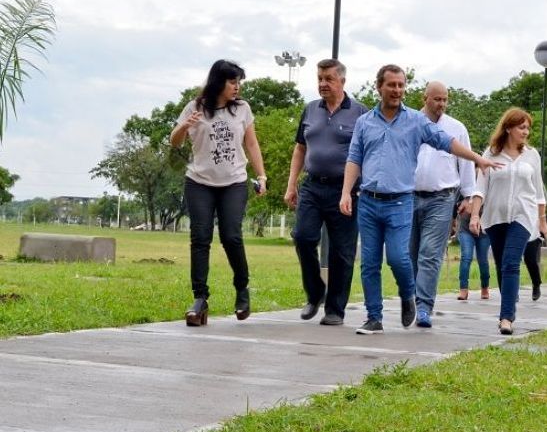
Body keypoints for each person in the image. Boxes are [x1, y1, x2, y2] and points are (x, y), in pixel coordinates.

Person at [339, 64, 501, 335]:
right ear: (380, 87)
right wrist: (346, 192)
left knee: (399, 258)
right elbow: (354, 158)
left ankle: (409, 296)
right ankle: (374, 316)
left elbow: (446, 142)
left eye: (401, 85)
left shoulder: (415, 121)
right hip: (368, 201)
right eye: (391, 85)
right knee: (368, 262)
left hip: (401, 202)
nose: (397, 90)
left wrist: (477, 159)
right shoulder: (365, 122)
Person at [169, 59, 266, 326]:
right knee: (200, 239)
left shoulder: (242, 109)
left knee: (231, 235)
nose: (237, 87)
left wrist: (261, 176)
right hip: (199, 182)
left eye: (239, 82)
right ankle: (200, 299)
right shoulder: (194, 107)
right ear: (218, 82)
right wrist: (184, 126)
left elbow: (252, 144)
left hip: (234, 182)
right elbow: (174, 141)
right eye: (233, 82)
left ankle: (242, 289)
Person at [284, 59, 368, 325]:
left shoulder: (360, 113)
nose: (323, 84)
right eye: (320, 78)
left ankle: (335, 310)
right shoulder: (310, 110)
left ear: (342, 80)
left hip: (346, 190)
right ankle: (315, 291)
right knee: (303, 237)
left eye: (329, 79)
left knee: (342, 251)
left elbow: (368, 152)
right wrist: (291, 184)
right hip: (312, 186)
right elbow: (300, 148)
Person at [470, 108, 547, 336]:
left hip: (523, 216)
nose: (526, 132)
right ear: (508, 128)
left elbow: (539, 191)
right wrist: (475, 215)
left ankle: (506, 318)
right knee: (502, 266)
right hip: (495, 217)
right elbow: (480, 188)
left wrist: (542, 220)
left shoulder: (532, 155)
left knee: (512, 263)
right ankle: (508, 305)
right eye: (521, 127)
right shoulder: (491, 154)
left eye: (527, 128)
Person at [409, 81, 476, 327]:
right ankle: (414, 300)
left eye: (445, 100)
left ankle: (425, 307)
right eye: (437, 99)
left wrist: (468, 196)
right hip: (409, 197)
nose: (442, 104)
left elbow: (467, 163)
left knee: (430, 254)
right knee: (410, 255)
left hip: (441, 198)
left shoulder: (456, 128)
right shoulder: (410, 122)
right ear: (424, 97)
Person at [456, 197, 491, 301]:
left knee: (483, 260)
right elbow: (456, 197)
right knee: (466, 257)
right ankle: (463, 289)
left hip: (484, 229)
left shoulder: (487, 183)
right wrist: (461, 204)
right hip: (465, 228)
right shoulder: (467, 185)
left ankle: (485, 287)